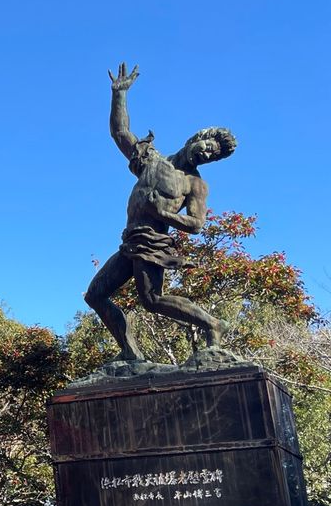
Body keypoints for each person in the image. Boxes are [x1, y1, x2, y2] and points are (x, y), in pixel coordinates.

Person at [84, 63, 237, 363]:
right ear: (197, 137)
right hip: (131, 241)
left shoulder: (194, 184)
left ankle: (213, 324)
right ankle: (130, 352)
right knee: (95, 295)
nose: (207, 154)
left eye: (213, 156)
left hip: (153, 243)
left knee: (152, 300)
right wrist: (120, 95)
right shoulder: (152, 161)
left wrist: (163, 214)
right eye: (208, 146)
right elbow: (120, 132)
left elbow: (195, 224)